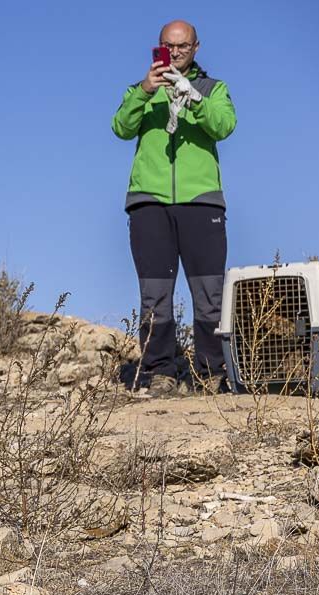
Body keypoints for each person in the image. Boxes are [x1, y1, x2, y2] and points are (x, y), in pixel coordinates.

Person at [112, 20, 236, 396]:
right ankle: (160, 373)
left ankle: (210, 374)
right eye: (169, 45)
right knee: (154, 294)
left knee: (209, 292)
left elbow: (224, 125)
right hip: (149, 203)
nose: (176, 52)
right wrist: (146, 90)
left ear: (196, 47)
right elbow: (120, 126)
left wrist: (194, 99)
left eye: (183, 46)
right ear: (159, 47)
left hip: (201, 202)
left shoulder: (214, 89)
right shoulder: (142, 90)